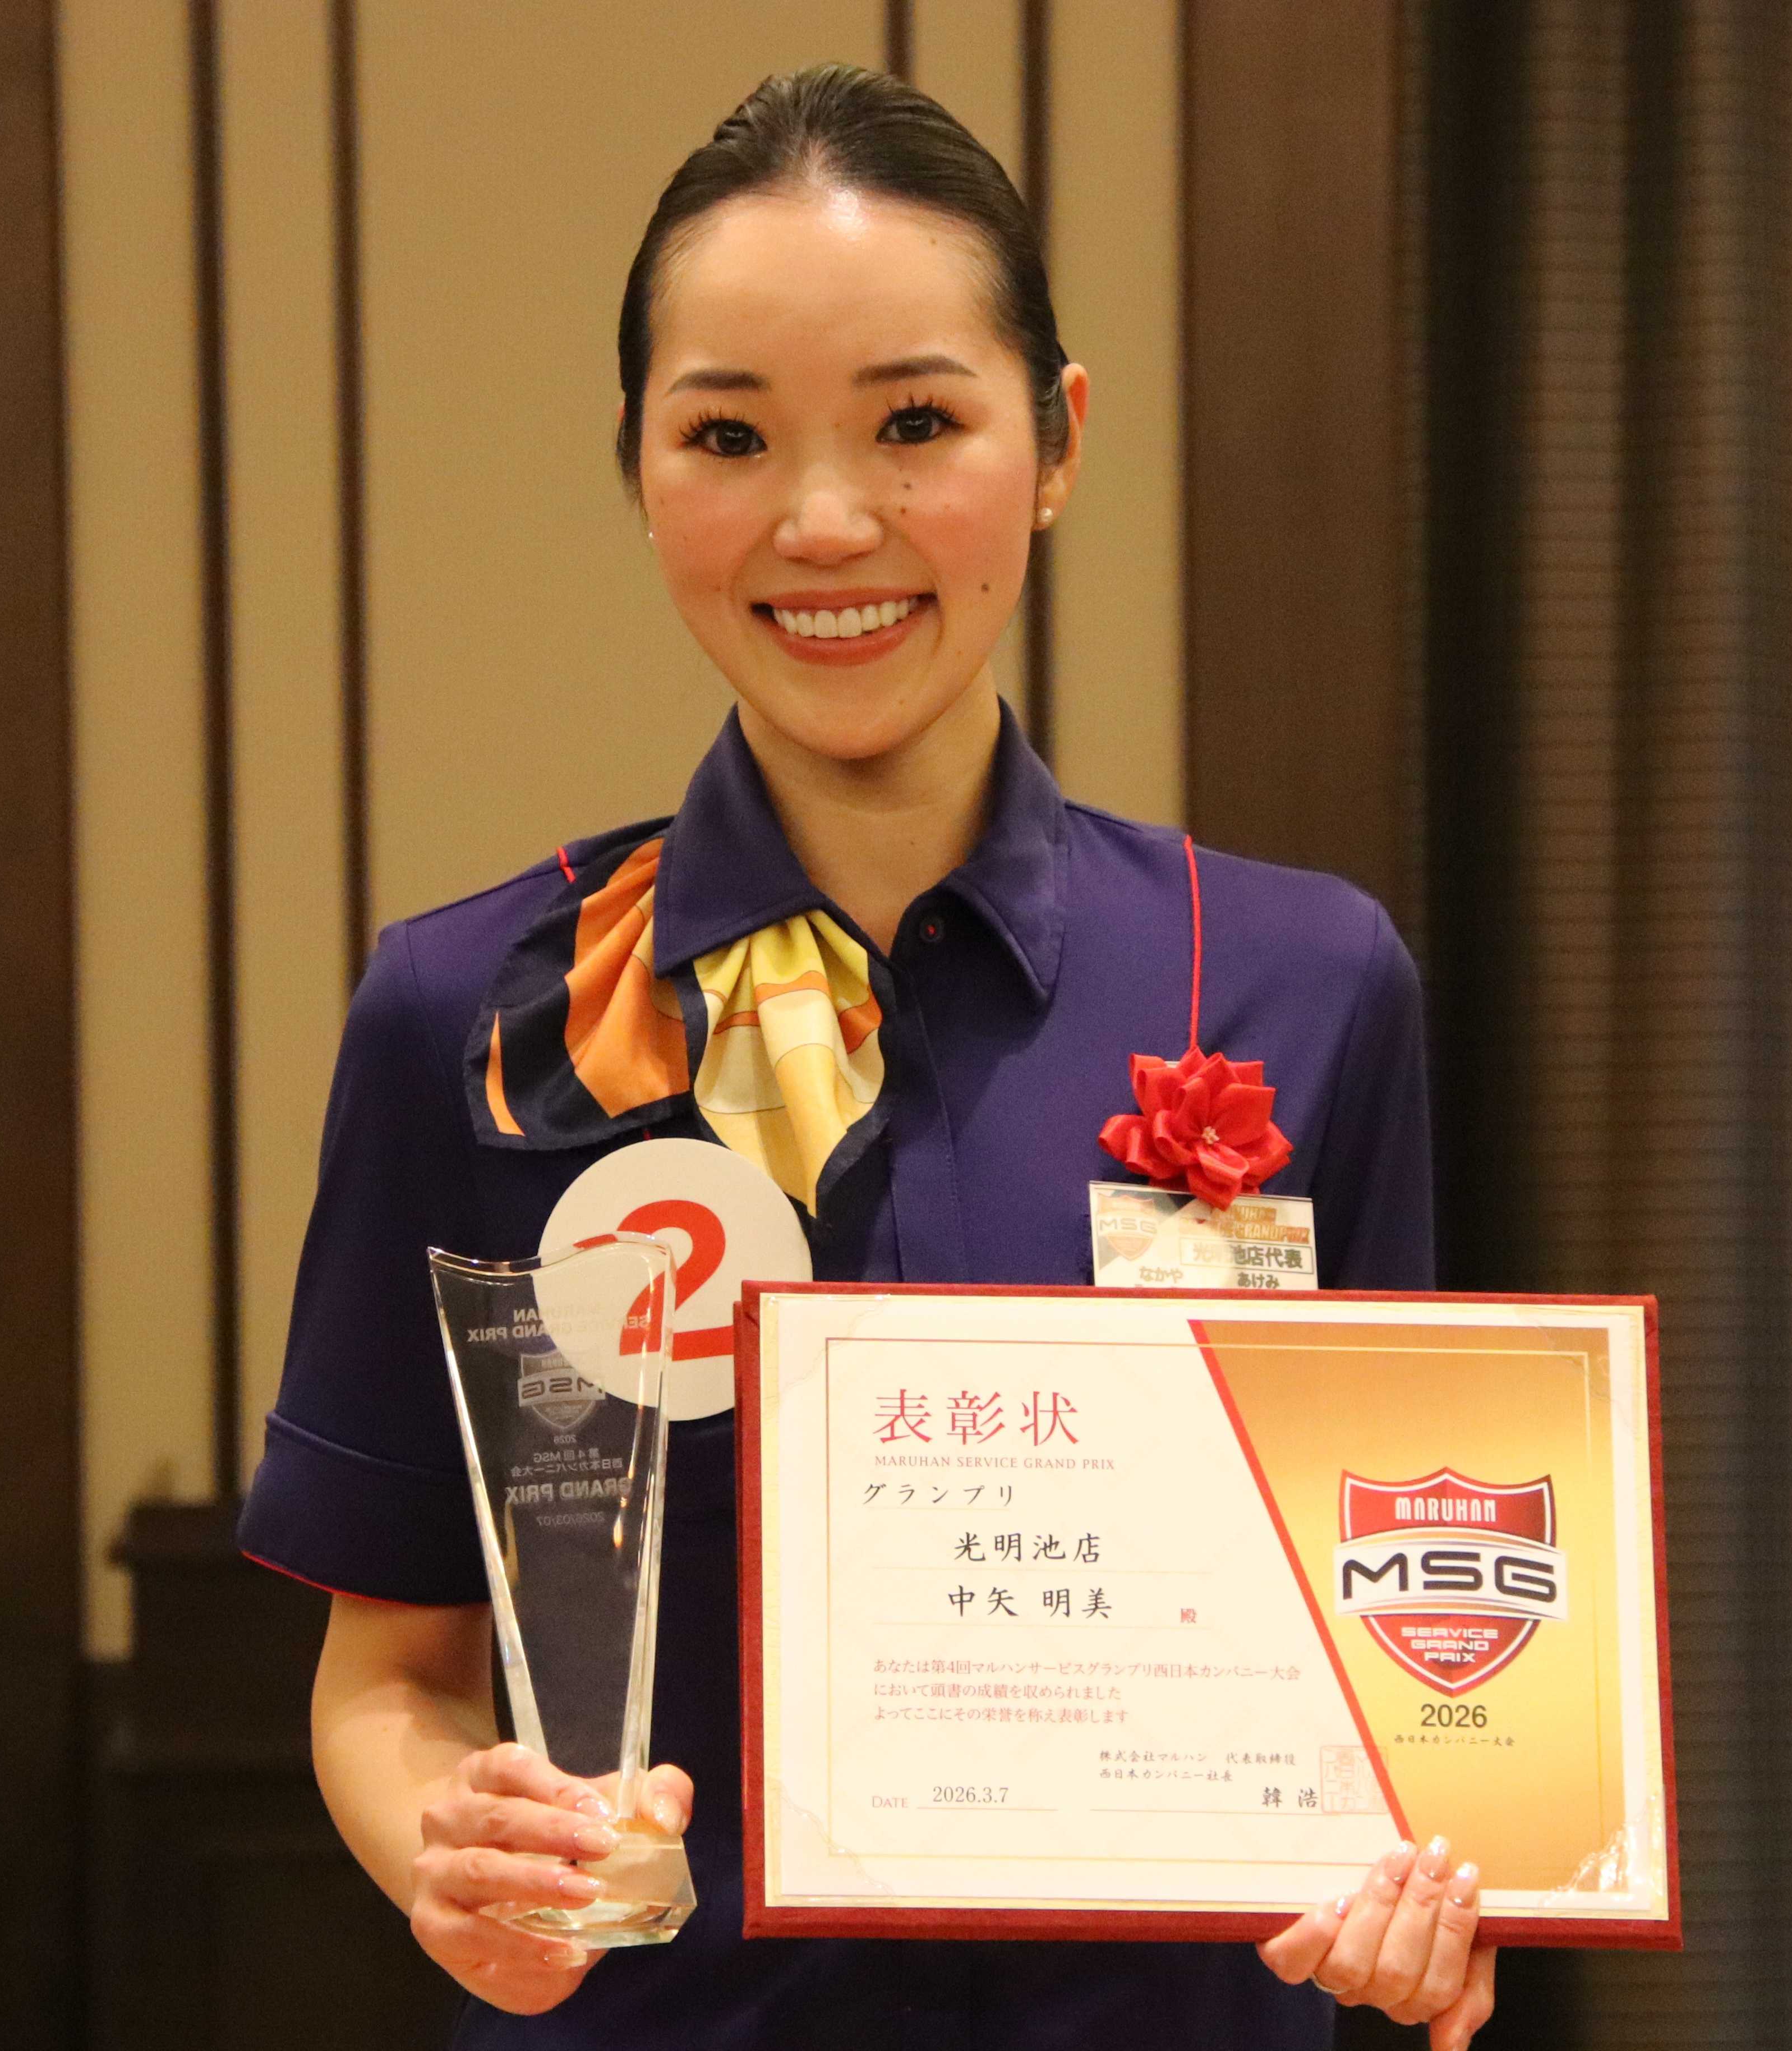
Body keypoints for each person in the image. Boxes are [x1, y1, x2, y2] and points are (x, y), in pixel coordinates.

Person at [239, 62, 1494, 2051]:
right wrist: (455, 1865)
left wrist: (1433, 1879)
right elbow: (387, 1676)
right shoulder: (469, 1013)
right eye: (727, 436)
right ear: (638, 465)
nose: (825, 524)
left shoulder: (1298, 982)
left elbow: (1398, 1659)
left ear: (1056, 441)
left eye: (916, 424)